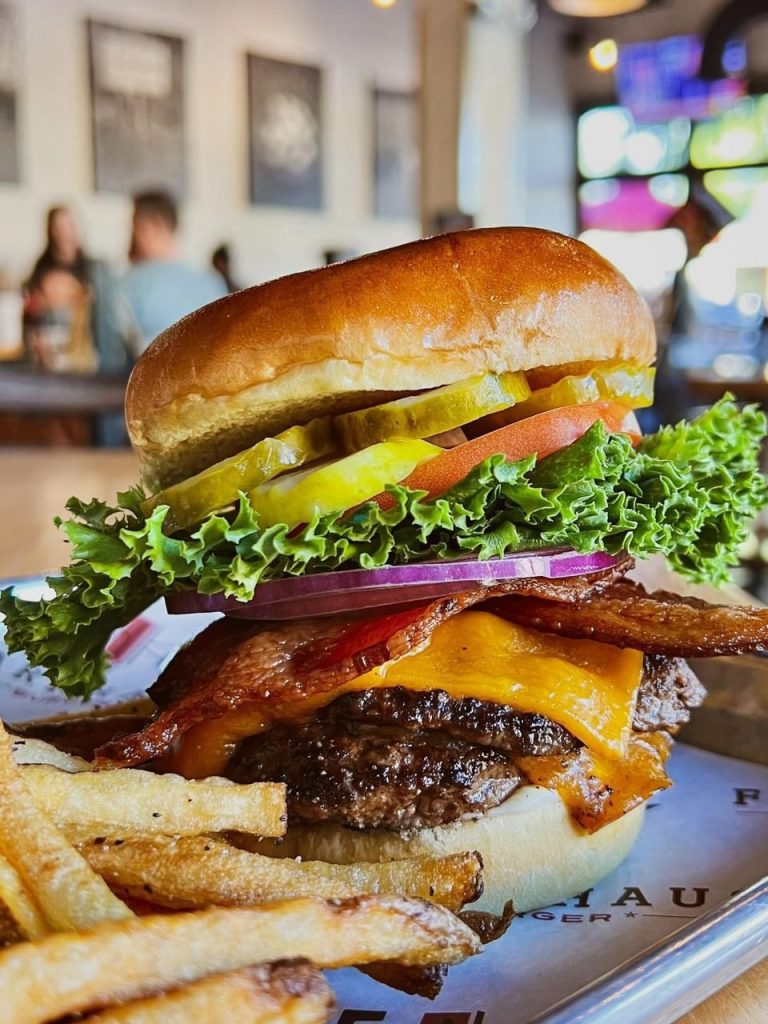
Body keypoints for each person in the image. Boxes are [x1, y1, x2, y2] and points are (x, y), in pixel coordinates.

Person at [122, 190, 227, 353]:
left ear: (152, 226)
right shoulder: (211, 281)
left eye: (135, 227)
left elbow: (117, 344)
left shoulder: (133, 282)